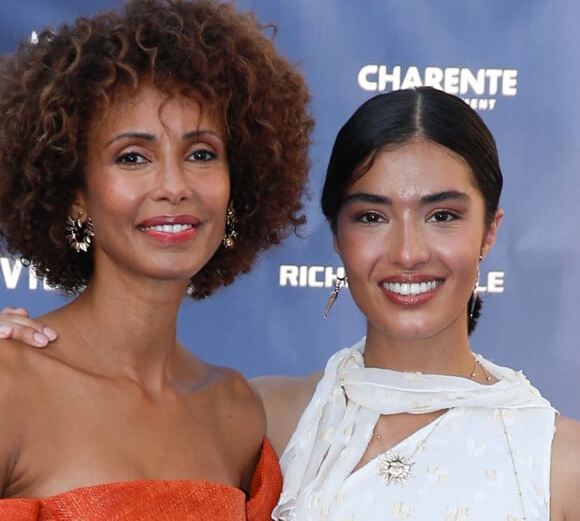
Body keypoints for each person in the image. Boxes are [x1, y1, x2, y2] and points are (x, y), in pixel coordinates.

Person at [5, 88, 580, 519]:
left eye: (443, 216)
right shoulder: (262, 417)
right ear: (337, 236)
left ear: (490, 232)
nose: (408, 251)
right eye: (372, 217)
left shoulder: (561, 461)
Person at [0, 0, 313, 519]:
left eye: (199, 153)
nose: (174, 185)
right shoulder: (10, 385)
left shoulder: (235, 411)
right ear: (75, 195)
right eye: (132, 157)